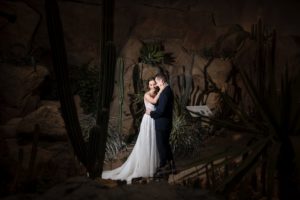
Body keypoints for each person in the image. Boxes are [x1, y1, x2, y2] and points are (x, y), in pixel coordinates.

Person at [102, 78, 163, 184]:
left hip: (155, 119)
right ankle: (144, 168)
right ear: (148, 86)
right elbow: (154, 101)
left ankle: (154, 167)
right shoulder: (147, 95)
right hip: (148, 120)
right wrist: (161, 91)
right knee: (146, 142)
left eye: (154, 84)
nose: (153, 86)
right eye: (151, 84)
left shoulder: (157, 93)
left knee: (154, 142)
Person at [146, 73, 176, 176]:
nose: (156, 85)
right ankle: (172, 167)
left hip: (162, 123)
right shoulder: (169, 90)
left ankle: (163, 167)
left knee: (162, 146)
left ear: (162, 81)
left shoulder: (164, 93)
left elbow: (161, 111)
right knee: (166, 145)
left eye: (157, 82)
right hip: (167, 123)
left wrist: (151, 113)